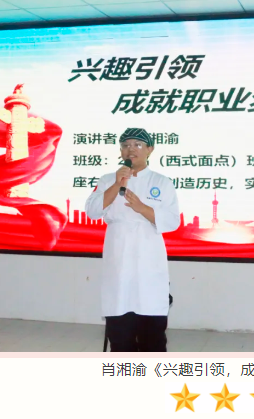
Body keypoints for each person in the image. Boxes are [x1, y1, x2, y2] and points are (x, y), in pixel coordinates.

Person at [85, 128, 180, 352]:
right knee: (120, 334)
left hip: (149, 258)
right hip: (118, 256)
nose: (131, 149)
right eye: (126, 145)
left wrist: (142, 208)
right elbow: (92, 211)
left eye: (137, 145)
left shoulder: (162, 182)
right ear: (120, 151)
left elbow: (172, 221)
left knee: (152, 336)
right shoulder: (108, 179)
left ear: (150, 149)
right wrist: (117, 184)